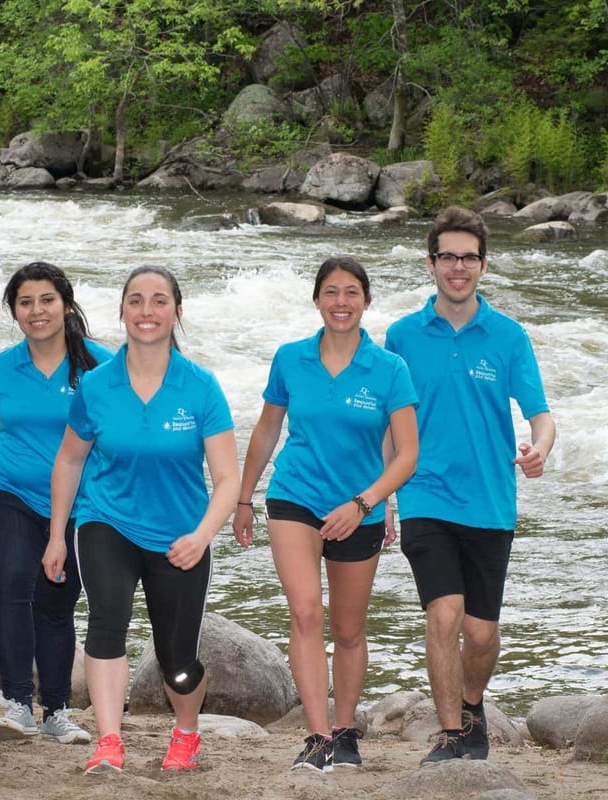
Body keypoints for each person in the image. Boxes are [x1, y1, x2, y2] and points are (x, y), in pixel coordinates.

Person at [43, 266, 239, 775]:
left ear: (176, 311)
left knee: (177, 662)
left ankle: (186, 733)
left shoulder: (201, 387)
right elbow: (68, 460)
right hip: (106, 520)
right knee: (107, 618)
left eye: (158, 301)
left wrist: (201, 536)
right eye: (135, 301)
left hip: (181, 534)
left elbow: (227, 480)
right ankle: (109, 742)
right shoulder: (97, 385)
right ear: (122, 311)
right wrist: (56, 535)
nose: (146, 312)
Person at [231, 257, 419, 772]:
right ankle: (316, 736)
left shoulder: (389, 369)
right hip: (294, 498)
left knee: (349, 630)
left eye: (352, 292)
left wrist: (367, 505)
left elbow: (406, 453)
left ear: (366, 301)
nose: (341, 302)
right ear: (316, 300)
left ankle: (344, 728)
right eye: (331, 292)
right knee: (306, 612)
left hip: (361, 508)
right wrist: (244, 498)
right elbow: (267, 431)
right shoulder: (291, 359)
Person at [384, 206, 556, 765]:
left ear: (483, 265)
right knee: (444, 613)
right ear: (430, 263)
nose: (458, 267)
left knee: (481, 635)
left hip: (490, 500)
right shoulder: (403, 335)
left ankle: (473, 703)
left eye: (469, 258)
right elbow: (391, 421)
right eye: (448, 257)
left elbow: (540, 415)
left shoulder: (507, 336)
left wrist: (540, 450)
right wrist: (384, 497)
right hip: (424, 493)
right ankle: (452, 733)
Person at [0, 262, 113, 745]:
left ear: (65, 304)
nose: (37, 311)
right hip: (10, 495)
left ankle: (57, 711)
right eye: (25, 302)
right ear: (14, 311)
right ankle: (18, 702)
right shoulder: (1, 369)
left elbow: (117, 441)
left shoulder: (101, 367)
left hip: (80, 506)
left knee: (56, 604)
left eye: (46, 300)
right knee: (8, 585)